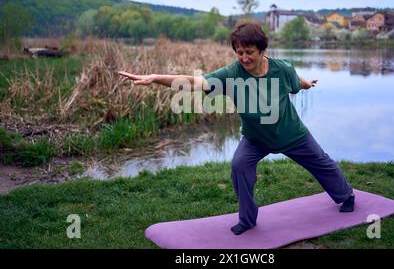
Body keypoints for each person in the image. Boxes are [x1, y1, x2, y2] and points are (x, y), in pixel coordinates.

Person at [118, 19, 355, 236]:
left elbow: (295, 83)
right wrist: (156, 77)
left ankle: (346, 196)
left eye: (249, 52)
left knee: (321, 162)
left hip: (290, 134)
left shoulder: (282, 69)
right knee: (239, 166)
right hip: (256, 138)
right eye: (239, 52)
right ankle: (248, 219)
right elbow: (196, 82)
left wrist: (305, 83)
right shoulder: (232, 73)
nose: (244, 57)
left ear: (263, 50)